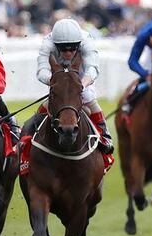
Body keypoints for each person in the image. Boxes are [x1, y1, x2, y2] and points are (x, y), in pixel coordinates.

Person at [21, 19, 113, 155]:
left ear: (79, 44)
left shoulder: (86, 40)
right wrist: (58, 83)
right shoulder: (48, 43)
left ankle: (105, 136)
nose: (69, 53)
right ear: (56, 45)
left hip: (80, 75)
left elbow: (92, 68)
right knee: (51, 102)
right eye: (64, 49)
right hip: (58, 77)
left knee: (88, 97)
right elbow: (42, 71)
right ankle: (27, 135)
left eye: (73, 48)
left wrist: (80, 85)